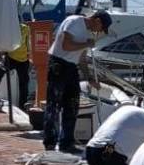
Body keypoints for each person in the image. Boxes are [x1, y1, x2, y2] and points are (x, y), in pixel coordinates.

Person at [42, 10, 112, 151]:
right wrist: (86, 44)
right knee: (54, 106)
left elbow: (81, 58)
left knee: (72, 106)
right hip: (59, 64)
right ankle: (50, 142)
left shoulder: (87, 33)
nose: (99, 31)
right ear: (97, 21)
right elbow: (66, 46)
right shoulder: (74, 21)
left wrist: (89, 77)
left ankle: (66, 142)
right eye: (101, 28)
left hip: (71, 67)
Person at [0, 22, 30, 109]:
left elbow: (27, 43)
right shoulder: (21, 28)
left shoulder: (14, 29)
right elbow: (27, 43)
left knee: (22, 82)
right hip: (17, 58)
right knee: (22, 82)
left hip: (18, 58)